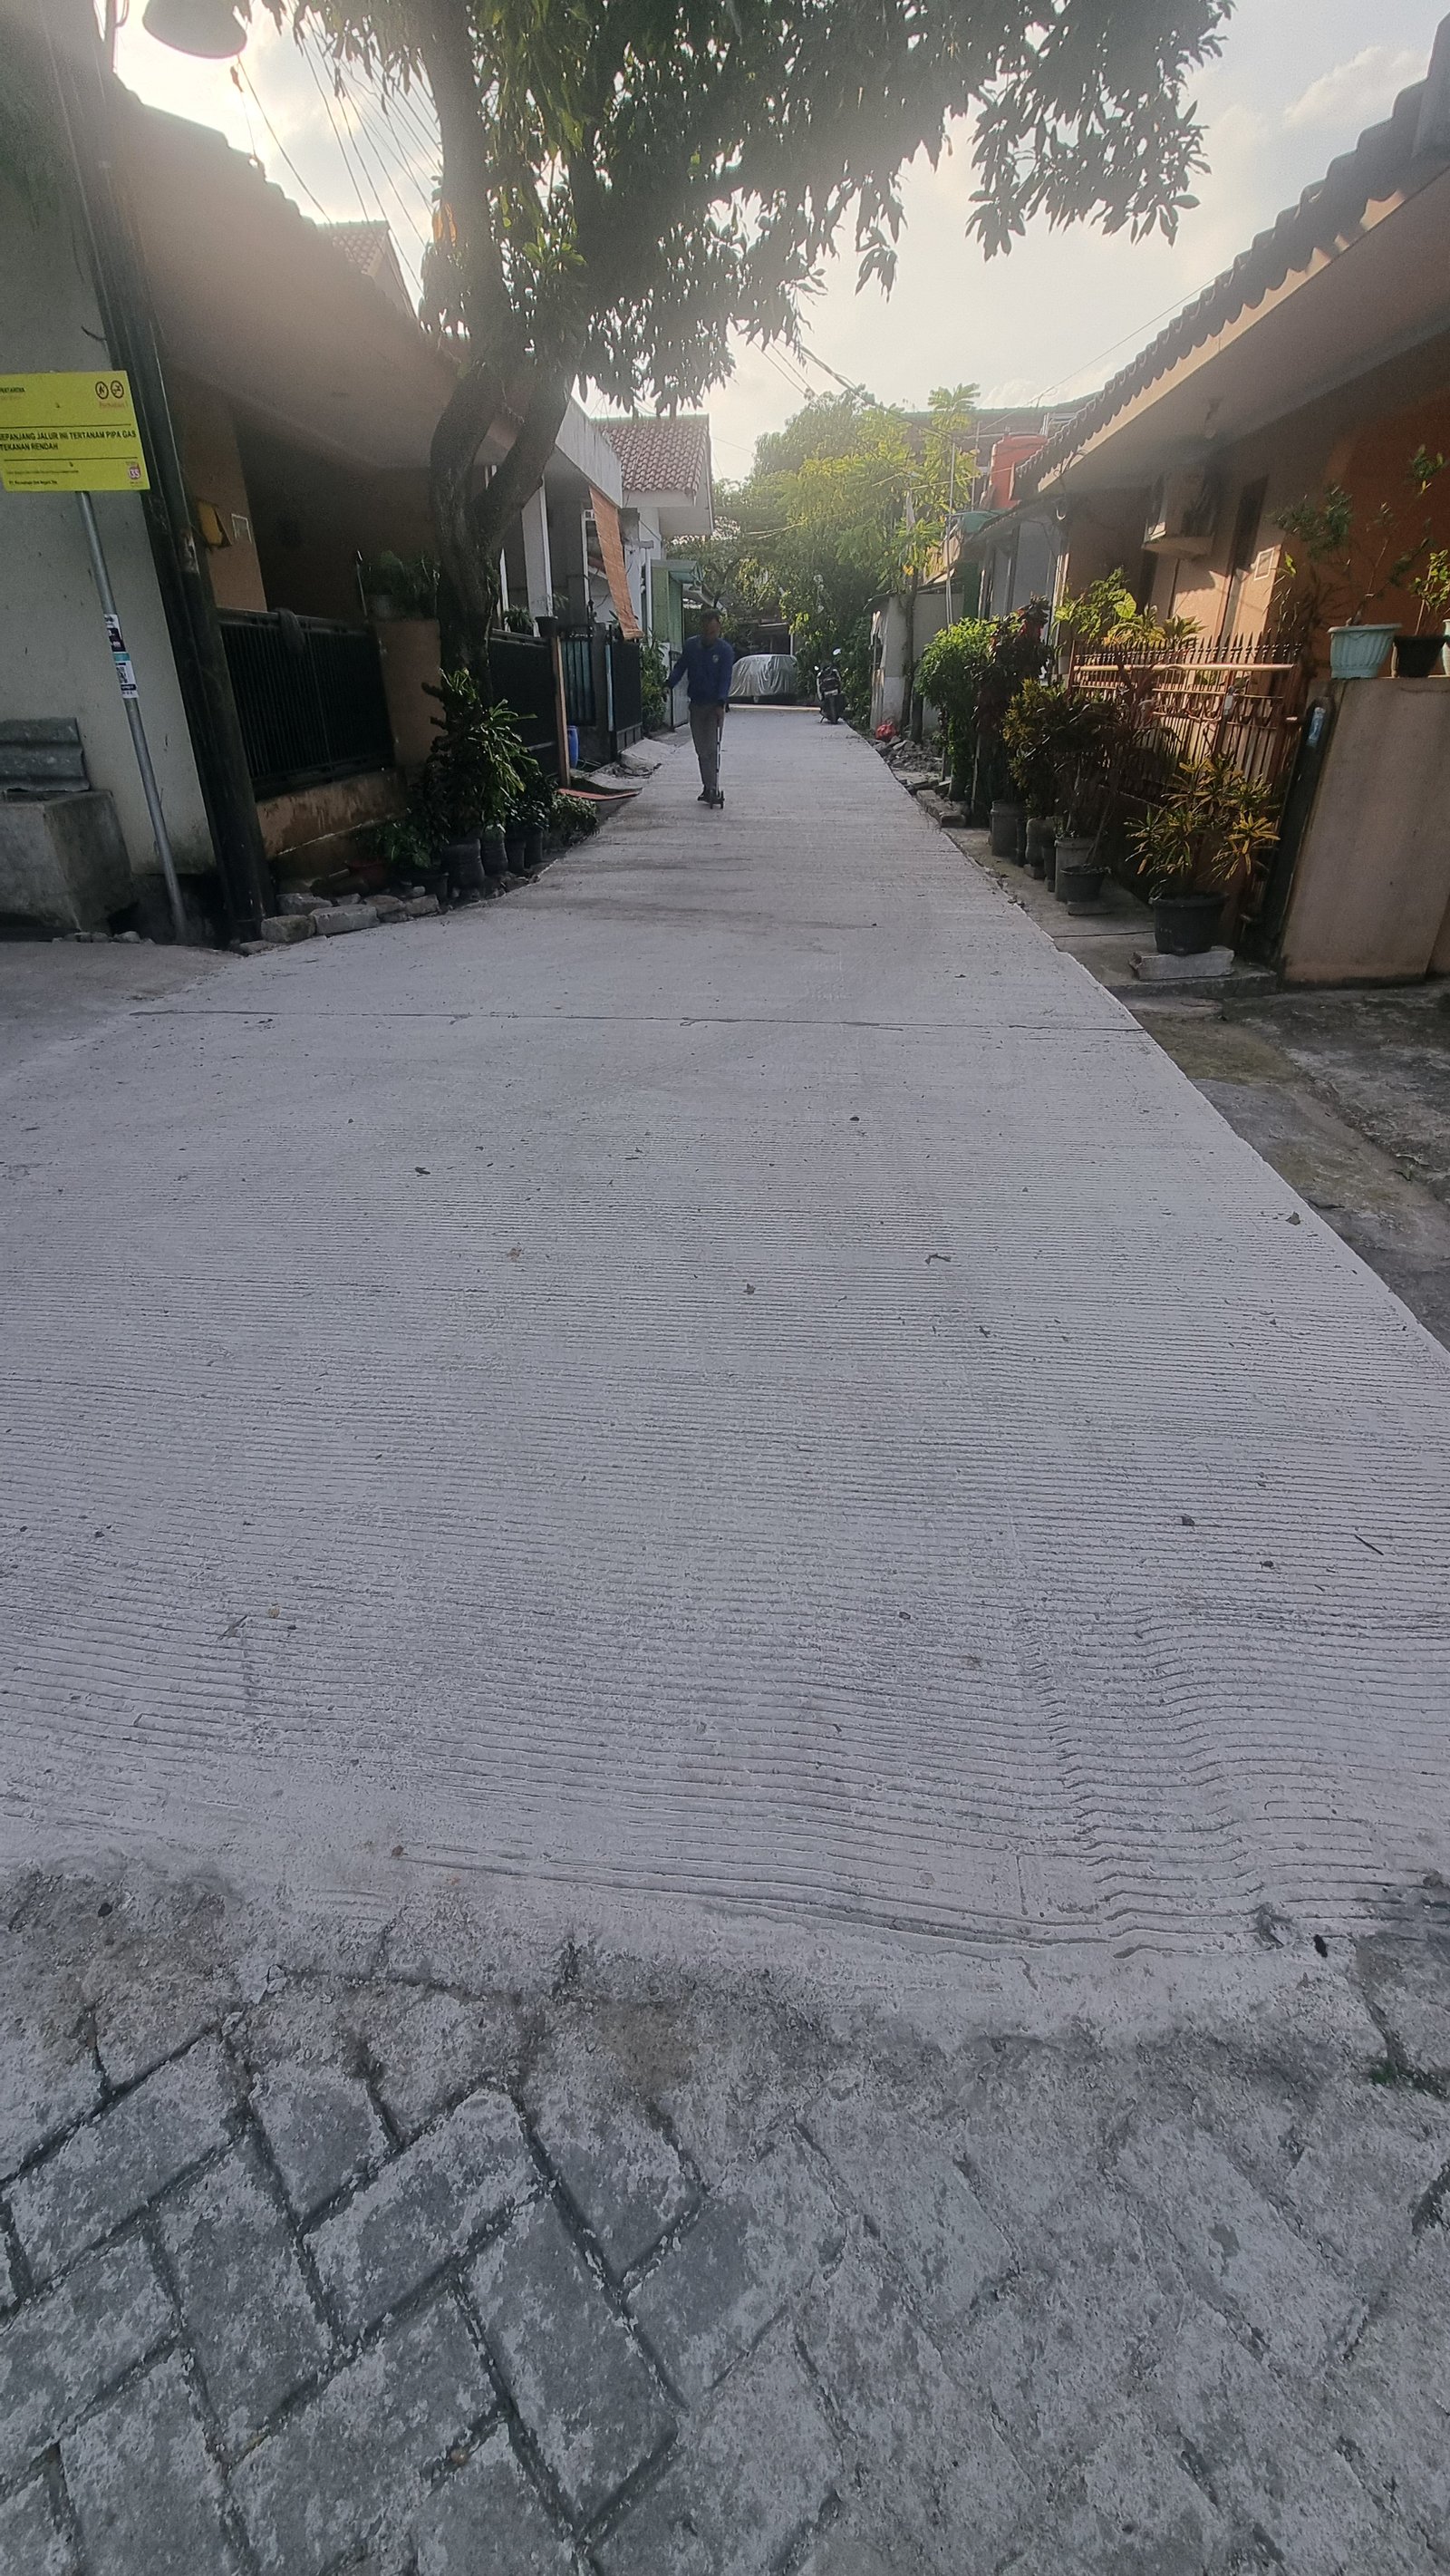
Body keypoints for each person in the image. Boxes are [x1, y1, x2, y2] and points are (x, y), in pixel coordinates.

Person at [668, 609, 735, 807]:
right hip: (696, 704)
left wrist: (721, 703)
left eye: (712, 631)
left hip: (714, 705)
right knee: (701, 750)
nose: (709, 635)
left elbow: (725, 678)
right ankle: (707, 786)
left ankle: (713, 787)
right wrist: (669, 684)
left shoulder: (725, 651)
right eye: (706, 631)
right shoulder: (691, 646)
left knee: (712, 747)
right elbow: (680, 667)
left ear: (718, 628)